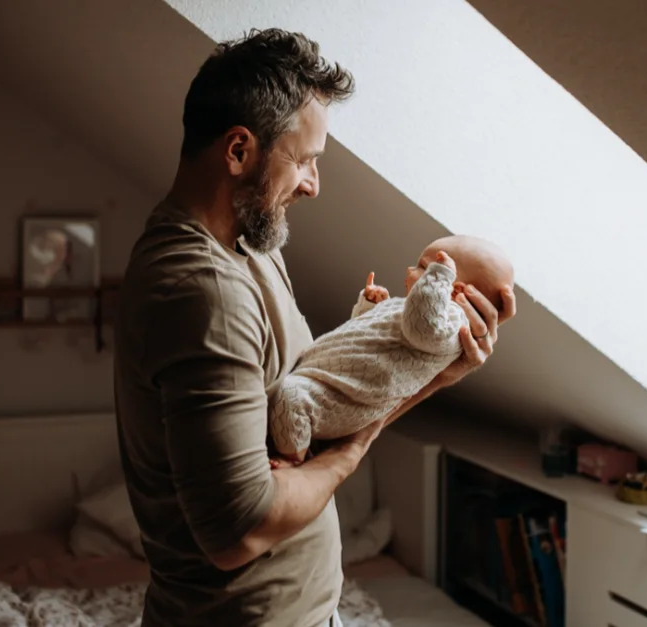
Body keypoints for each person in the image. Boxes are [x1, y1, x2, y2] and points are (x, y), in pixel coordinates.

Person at [113, 28, 516, 627]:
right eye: (303, 161)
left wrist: (435, 369)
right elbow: (238, 532)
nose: (313, 184)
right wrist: (356, 450)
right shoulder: (203, 289)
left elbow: (326, 406)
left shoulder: (248, 243)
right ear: (238, 151)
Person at [269, 235, 514, 463]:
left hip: (343, 398)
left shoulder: (450, 324)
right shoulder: (409, 310)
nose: (409, 271)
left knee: (293, 398)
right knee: (293, 396)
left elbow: (422, 328)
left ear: (454, 289)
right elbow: (366, 337)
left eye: (424, 267)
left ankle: (294, 459)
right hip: (328, 377)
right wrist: (371, 306)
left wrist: (438, 275)